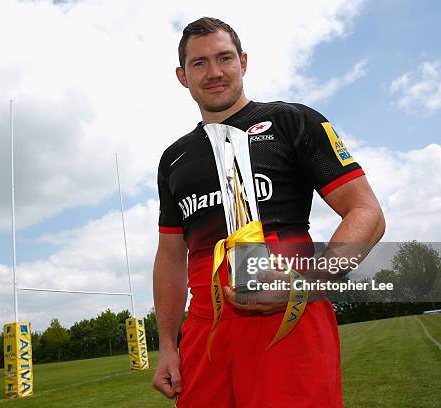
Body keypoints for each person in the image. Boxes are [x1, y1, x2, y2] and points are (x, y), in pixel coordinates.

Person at [152, 17, 385, 407]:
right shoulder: (173, 158)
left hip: (287, 317)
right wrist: (166, 346)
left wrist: (307, 280)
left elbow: (366, 212)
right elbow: (170, 257)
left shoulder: (292, 121)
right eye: (199, 63)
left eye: (224, 58)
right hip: (205, 333)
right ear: (181, 76)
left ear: (243, 61)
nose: (214, 72)